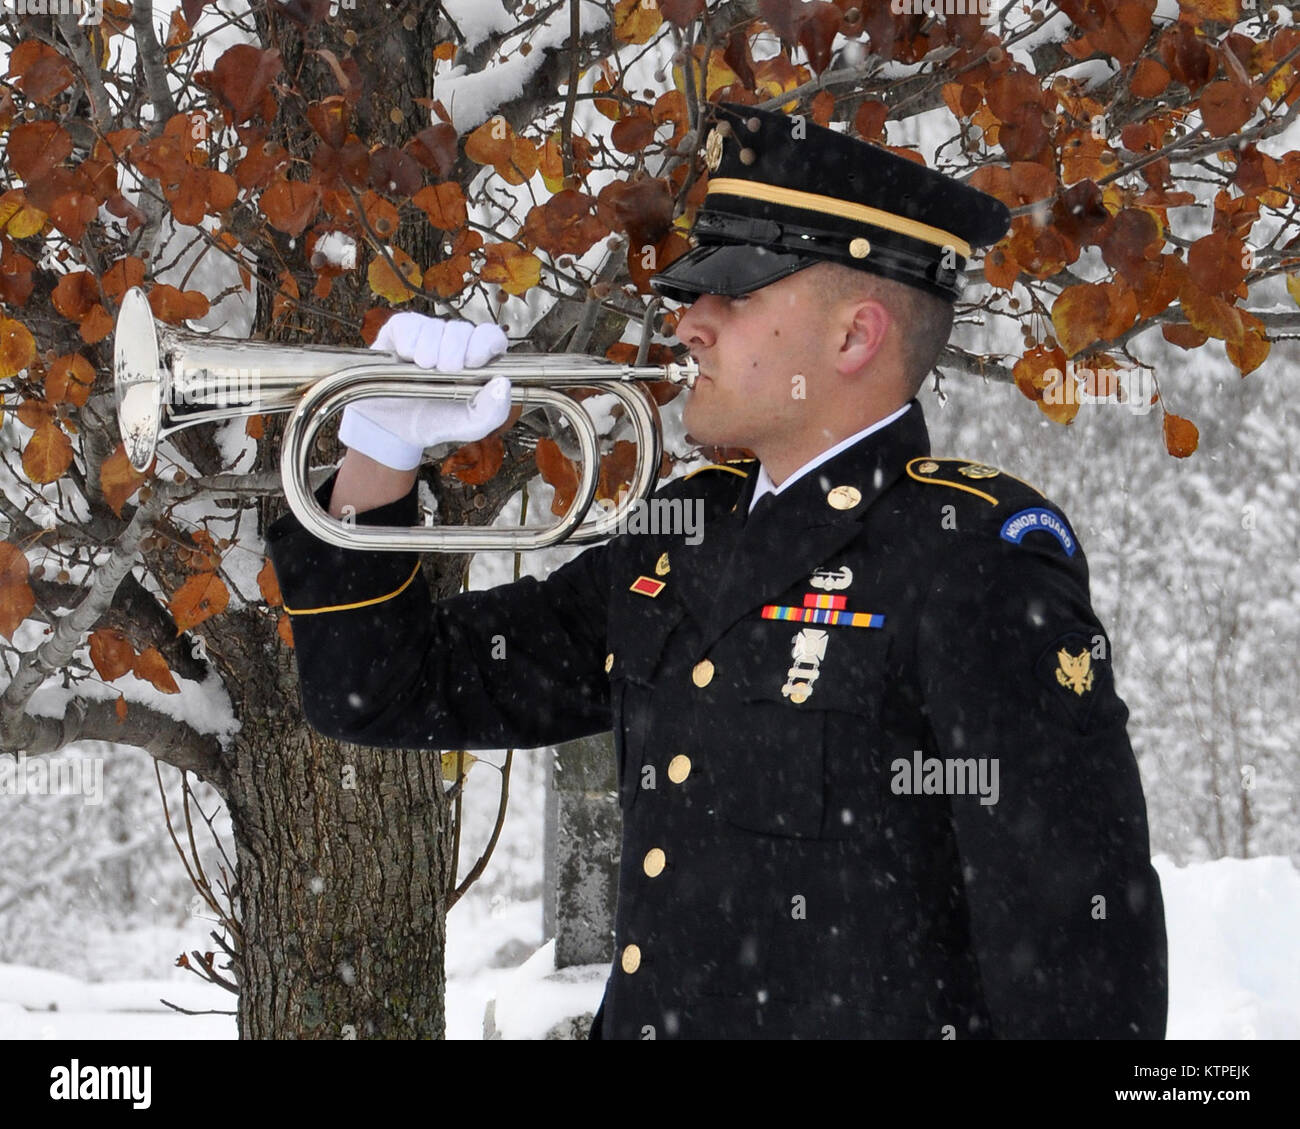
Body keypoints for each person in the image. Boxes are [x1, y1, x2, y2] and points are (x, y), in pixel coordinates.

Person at [267, 102, 1168, 1040]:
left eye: (734, 292)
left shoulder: (972, 563)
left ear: (854, 337)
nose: (690, 323)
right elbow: (383, 691)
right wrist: (379, 451)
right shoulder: (682, 535)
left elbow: (1084, 981)